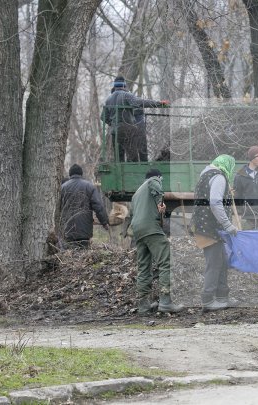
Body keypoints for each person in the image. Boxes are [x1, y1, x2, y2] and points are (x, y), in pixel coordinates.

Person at [128, 168, 183, 314]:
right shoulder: (153, 181)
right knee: (166, 261)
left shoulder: (137, 193)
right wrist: (160, 202)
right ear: (158, 177)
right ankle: (165, 301)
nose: (160, 182)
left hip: (138, 231)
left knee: (144, 266)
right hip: (151, 228)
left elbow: (131, 214)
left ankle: (143, 305)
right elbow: (157, 187)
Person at [190, 154, 239, 312]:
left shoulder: (206, 175)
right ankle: (208, 299)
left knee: (222, 261)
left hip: (207, 226)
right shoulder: (219, 177)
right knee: (215, 262)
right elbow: (215, 202)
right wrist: (228, 224)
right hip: (208, 227)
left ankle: (222, 297)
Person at [100, 75, 169, 162]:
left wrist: (112, 123)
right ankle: (133, 172)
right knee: (133, 156)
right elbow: (140, 102)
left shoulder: (108, 99)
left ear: (114, 86)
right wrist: (159, 103)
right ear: (124, 85)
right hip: (127, 129)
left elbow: (103, 117)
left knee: (119, 157)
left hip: (115, 132)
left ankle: (121, 174)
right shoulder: (126, 95)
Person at [59, 164, 109, 249]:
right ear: (81, 174)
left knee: (68, 257)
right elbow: (98, 206)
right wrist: (104, 222)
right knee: (83, 257)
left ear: (70, 174)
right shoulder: (89, 186)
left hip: (67, 230)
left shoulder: (62, 188)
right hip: (84, 231)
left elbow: (58, 208)